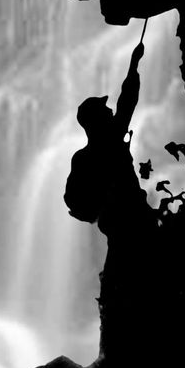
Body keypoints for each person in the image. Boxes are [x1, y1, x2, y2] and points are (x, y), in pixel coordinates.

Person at [64, 42, 150, 236]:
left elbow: (73, 200)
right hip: (133, 219)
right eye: (105, 110)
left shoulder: (81, 158)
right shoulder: (111, 141)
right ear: (97, 121)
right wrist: (133, 65)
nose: (110, 110)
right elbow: (127, 101)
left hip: (112, 223)